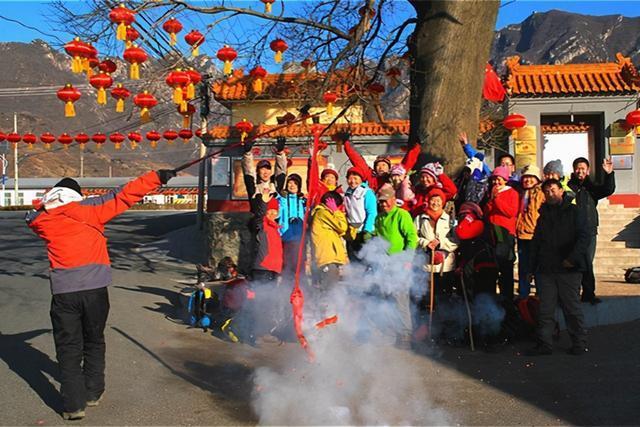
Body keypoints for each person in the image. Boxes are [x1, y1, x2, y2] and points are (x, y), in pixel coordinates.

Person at [25, 169, 176, 420]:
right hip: (95, 291)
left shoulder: (43, 220)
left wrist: (47, 202)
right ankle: (93, 392)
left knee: (68, 347)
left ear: (55, 196)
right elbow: (125, 194)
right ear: (76, 196)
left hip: (64, 293)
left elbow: (31, 216)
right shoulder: (91, 210)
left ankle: (73, 405)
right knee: (94, 340)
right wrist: (157, 177)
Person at [527, 179, 589, 356]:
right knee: (545, 309)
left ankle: (579, 342)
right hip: (546, 268)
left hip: (569, 268)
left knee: (572, 308)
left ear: (561, 191)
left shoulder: (574, 211)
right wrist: (531, 269)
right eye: (546, 192)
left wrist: (572, 258)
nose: (550, 194)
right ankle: (544, 343)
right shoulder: (543, 215)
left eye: (553, 190)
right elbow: (536, 243)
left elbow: (584, 237)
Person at [374, 184, 419, 348]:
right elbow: (376, 238)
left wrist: (408, 259)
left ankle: (406, 334)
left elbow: (411, 238)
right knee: (386, 298)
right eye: (381, 201)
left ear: (393, 199)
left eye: (386, 201)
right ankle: (392, 332)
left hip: (399, 263)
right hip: (383, 264)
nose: (383, 204)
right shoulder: (379, 218)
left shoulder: (402, 215)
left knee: (400, 299)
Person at [567, 157, 615, 304]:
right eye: (577, 168)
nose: (580, 171)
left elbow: (608, 190)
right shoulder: (569, 187)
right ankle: (572, 293)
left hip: (589, 230)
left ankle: (588, 293)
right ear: (574, 170)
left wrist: (609, 174)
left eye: (583, 168)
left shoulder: (592, 188)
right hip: (572, 230)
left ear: (587, 171)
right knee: (574, 262)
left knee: (587, 261)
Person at [414, 188, 459, 340]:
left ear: (443, 203)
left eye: (438, 200)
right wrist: (426, 243)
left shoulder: (450, 219)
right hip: (426, 266)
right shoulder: (421, 218)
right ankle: (425, 330)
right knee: (426, 299)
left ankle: (442, 331)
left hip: (445, 266)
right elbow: (414, 237)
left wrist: (441, 243)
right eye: (433, 199)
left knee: (443, 299)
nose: (435, 203)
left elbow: (456, 240)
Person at [337, 131, 421, 192]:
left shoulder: (394, 175)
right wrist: (347, 144)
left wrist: (416, 147)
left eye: (384, 165)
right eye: (378, 165)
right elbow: (357, 160)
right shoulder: (370, 176)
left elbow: (407, 163)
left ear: (389, 167)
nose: (381, 167)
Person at [484, 166, 519, 301]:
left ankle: (507, 296)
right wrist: (491, 200)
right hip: (492, 231)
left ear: (505, 179)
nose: (496, 183)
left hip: (505, 232)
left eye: (498, 179)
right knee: (493, 263)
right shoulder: (492, 192)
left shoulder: (512, 193)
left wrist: (497, 199)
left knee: (505, 265)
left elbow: (510, 212)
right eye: (494, 180)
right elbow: (487, 212)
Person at [515, 164, 545, 298]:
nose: (527, 180)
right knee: (524, 268)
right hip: (522, 234)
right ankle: (523, 295)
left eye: (531, 177)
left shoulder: (541, 193)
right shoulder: (520, 193)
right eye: (525, 177)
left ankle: (540, 293)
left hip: (536, 236)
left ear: (537, 179)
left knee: (538, 267)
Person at [310, 191, 349, 292]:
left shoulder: (323, 214)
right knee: (329, 290)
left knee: (330, 289)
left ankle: (327, 307)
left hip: (328, 258)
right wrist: (336, 211)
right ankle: (326, 307)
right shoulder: (323, 213)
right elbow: (342, 227)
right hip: (327, 258)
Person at [242, 136, 287, 211]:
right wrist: (247, 154)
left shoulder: (275, 186)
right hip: (258, 221)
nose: (265, 172)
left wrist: (280, 153)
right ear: (257, 171)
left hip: (273, 220)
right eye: (262, 169)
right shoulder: (253, 186)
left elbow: (281, 170)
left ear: (271, 171)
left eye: (268, 169)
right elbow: (248, 170)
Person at [343, 167, 377, 260]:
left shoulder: (366, 192)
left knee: (366, 260)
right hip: (352, 231)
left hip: (364, 230)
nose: (352, 181)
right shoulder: (348, 193)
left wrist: (367, 229)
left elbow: (372, 212)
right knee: (353, 259)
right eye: (350, 178)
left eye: (355, 178)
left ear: (361, 179)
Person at [278, 173, 307, 280]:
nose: (292, 185)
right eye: (290, 183)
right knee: (286, 266)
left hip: (300, 238)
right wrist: (282, 199)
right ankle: (286, 289)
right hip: (286, 237)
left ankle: (301, 289)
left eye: (295, 183)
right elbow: (277, 214)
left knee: (300, 266)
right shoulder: (282, 199)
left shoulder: (302, 201)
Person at [251, 193, 283, 282]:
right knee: (262, 294)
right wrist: (264, 203)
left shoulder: (276, 228)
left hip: (274, 269)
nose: (273, 213)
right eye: (270, 210)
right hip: (262, 268)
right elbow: (259, 217)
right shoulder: (262, 225)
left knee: (271, 295)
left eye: (275, 210)